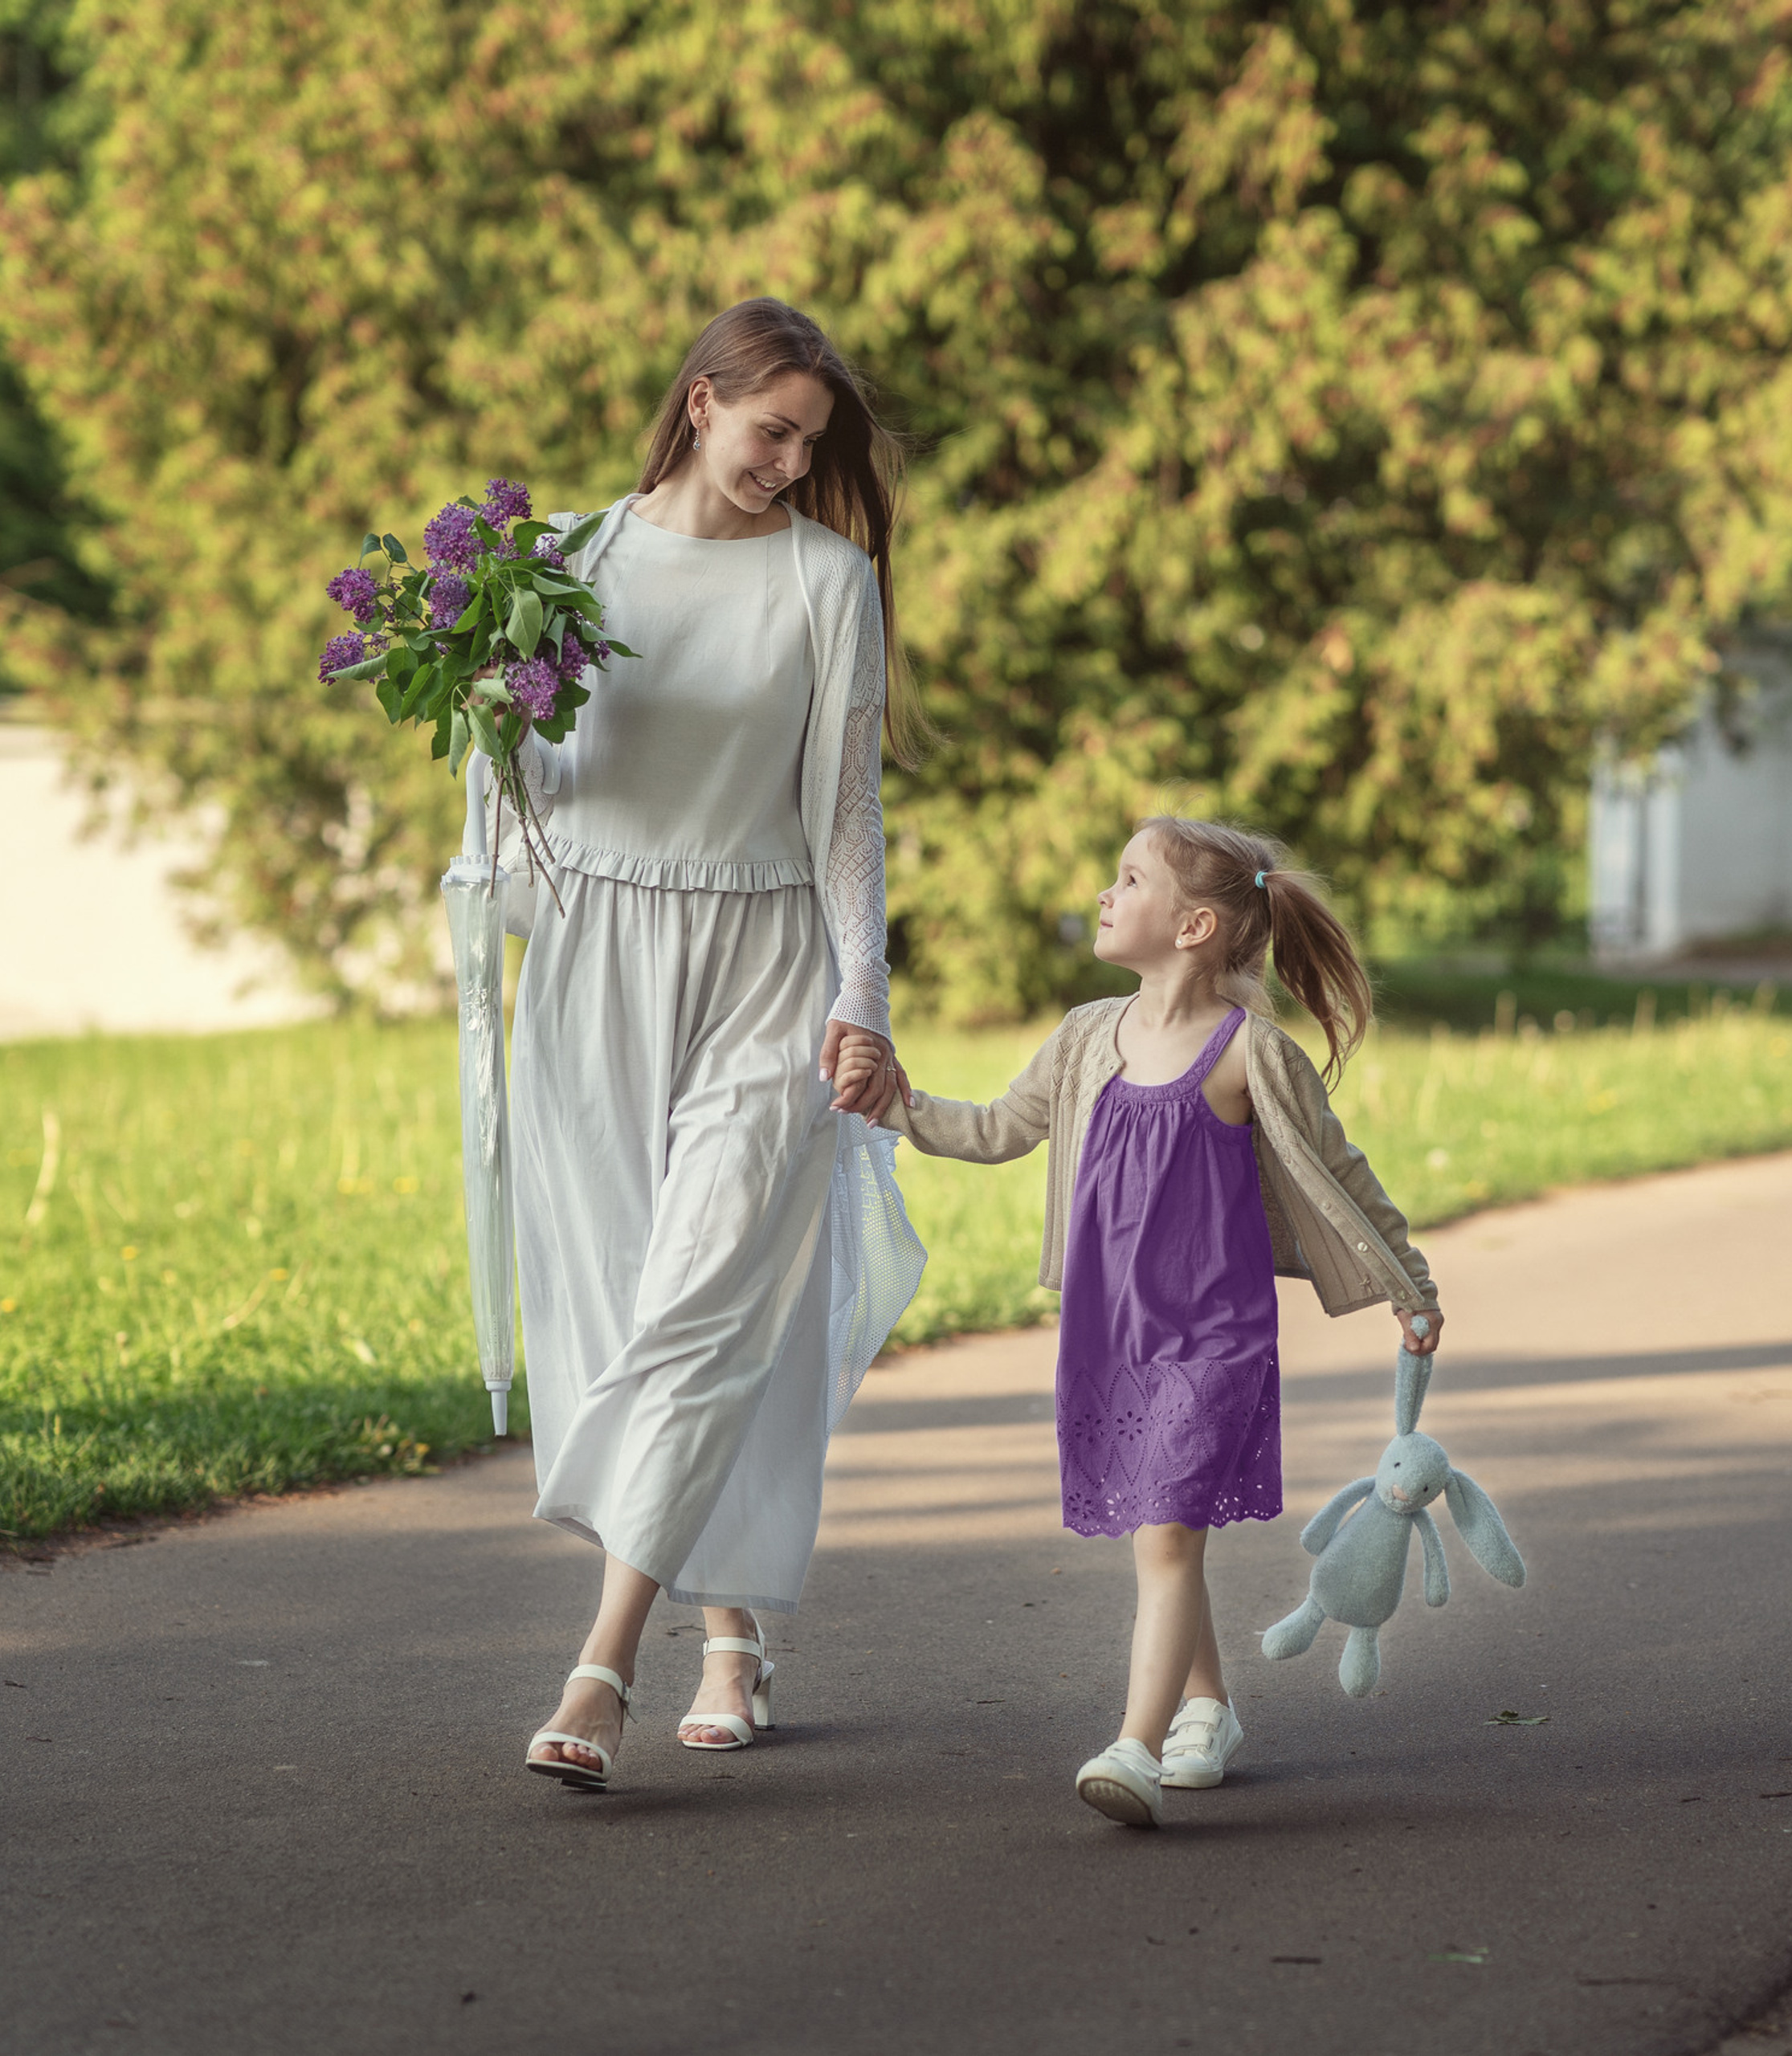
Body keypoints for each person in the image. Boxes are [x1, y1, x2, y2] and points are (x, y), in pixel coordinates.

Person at [516, 299, 927, 1792]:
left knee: (705, 1295)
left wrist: (860, 1001)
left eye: (813, 444)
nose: (792, 461)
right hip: (593, 972)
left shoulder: (830, 581)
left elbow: (845, 818)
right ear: (702, 404)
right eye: (774, 431)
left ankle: (602, 1664)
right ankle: (734, 1629)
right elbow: (531, 796)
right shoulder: (562, 562)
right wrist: (490, 724)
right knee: (642, 1301)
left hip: (766, 964)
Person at [835, 817, 1442, 1826]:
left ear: (1195, 923)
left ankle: (1135, 1743)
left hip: (1213, 1342)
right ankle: (1209, 1705)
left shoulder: (1248, 1051)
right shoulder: (1084, 1037)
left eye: (1128, 878)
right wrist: (900, 1105)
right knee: (1159, 1533)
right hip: (1108, 1338)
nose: (1106, 894)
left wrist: (1409, 1286)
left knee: (1165, 1536)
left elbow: (1340, 1172)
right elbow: (994, 1130)